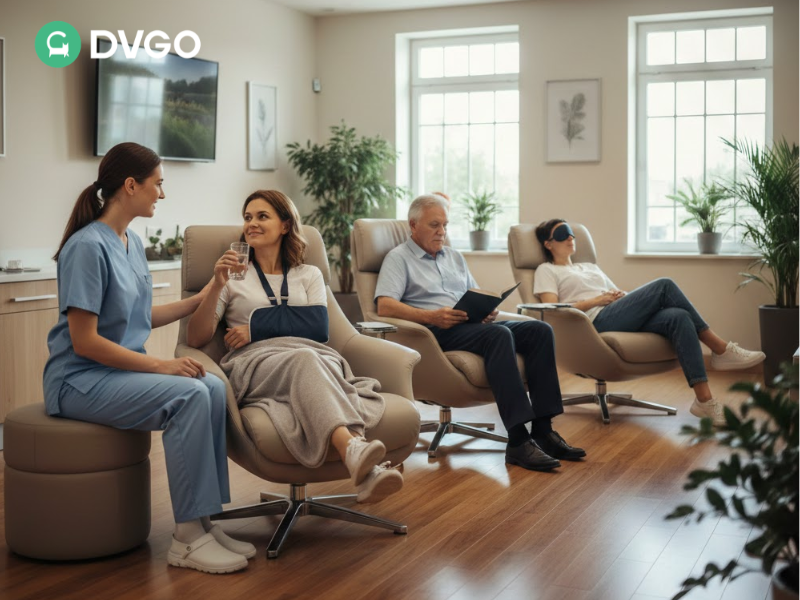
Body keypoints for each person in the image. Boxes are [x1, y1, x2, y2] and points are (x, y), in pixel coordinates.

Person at [43, 142, 253, 575]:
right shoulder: (86, 247)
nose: (162, 194)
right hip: (79, 380)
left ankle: (204, 521)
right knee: (190, 394)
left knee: (212, 387)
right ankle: (187, 540)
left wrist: (208, 291)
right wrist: (162, 365)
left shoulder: (131, 243)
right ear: (131, 185)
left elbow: (142, 315)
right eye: (158, 184)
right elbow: (84, 342)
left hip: (114, 375)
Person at [186, 190, 403, 503]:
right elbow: (195, 338)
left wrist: (256, 326)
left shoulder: (308, 274)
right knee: (305, 358)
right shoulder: (233, 277)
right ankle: (355, 448)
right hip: (255, 364)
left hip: (315, 356)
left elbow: (318, 327)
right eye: (248, 217)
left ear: (285, 225)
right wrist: (217, 284)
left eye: (262, 216)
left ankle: (366, 470)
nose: (251, 224)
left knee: (309, 358)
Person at [374, 194, 586, 472]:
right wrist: (432, 316)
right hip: (434, 334)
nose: (442, 232)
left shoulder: (454, 256)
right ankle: (518, 441)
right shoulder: (399, 258)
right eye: (434, 225)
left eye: (445, 225)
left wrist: (487, 309)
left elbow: (474, 293)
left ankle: (543, 431)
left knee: (539, 330)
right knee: (499, 336)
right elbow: (384, 305)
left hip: (470, 325)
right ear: (413, 225)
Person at [534, 219, 766, 427]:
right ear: (548, 244)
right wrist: (597, 300)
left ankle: (704, 400)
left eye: (571, 233)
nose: (571, 238)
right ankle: (719, 348)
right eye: (563, 234)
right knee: (664, 285)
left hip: (615, 312)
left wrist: (622, 297)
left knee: (679, 316)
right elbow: (552, 309)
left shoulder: (590, 267)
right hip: (593, 323)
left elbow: (616, 292)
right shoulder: (547, 270)